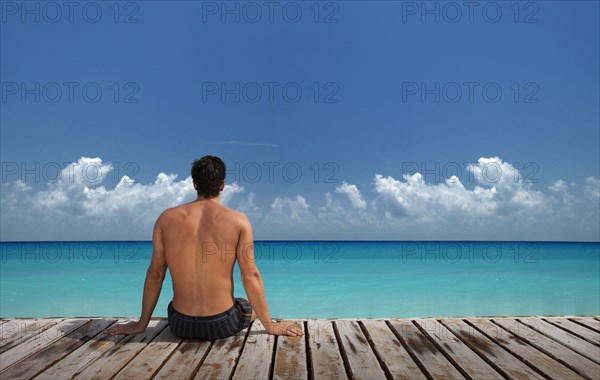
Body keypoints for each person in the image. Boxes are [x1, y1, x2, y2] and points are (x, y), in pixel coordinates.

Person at [106, 155, 302, 339]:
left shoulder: (166, 219)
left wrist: (141, 324)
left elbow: (155, 274)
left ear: (194, 184)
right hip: (222, 324)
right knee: (247, 304)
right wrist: (269, 325)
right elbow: (250, 276)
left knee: (175, 304)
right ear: (223, 186)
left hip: (181, 324)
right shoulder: (239, 221)